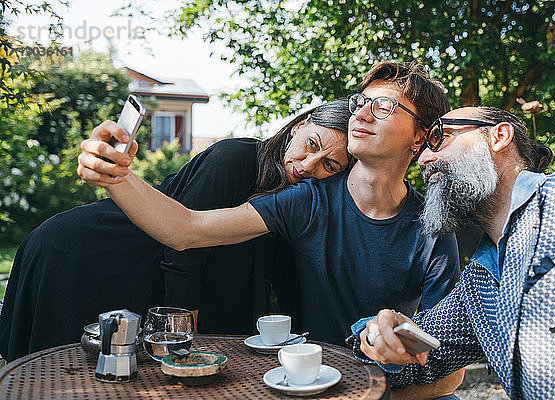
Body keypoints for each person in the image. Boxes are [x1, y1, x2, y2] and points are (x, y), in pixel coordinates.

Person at [78, 61, 465, 399]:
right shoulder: (308, 201)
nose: (362, 114)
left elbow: (448, 369)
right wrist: (117, 176)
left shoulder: (433, 228)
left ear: (419, 136)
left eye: (383, 107)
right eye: (361, 102)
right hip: (313, 383)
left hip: (395, 389)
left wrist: (379, 391)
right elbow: (187, 229)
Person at [0, 100, 352, 362]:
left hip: (136, 276)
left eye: (328, 165)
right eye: (312, 145)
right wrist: (184, 337)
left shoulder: (300, 199)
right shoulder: (238, 158)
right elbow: (184, 251)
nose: (308, 166)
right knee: (55, 372)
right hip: (83, 253)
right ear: (298, 125)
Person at [351, 106, 555, 399]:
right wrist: (379, 336)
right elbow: (419, 360)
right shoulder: (477, 284)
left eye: (438, 139)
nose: (423, 159)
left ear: (499, 136)